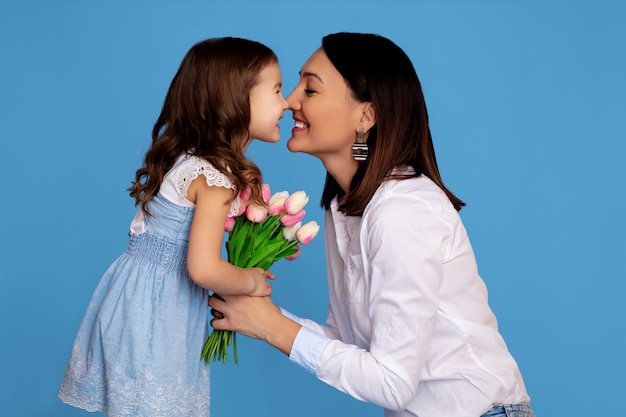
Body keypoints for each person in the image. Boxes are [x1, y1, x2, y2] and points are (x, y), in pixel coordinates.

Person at [208, 33, 536, 417]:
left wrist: (274, 329)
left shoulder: (403, 211)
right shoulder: (343, 208)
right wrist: (260, 313)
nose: (290, 101)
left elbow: (392, 383)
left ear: (365, 116)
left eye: (310, 90)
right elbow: (347, 343)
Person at [58, 37, 287, 416]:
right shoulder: (214, 180)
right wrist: (251, 281)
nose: (285, 102)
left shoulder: (191, 161)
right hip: (157, 319)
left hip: (136, 301)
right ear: (235, 98)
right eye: (276, 90)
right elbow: (203, 269)